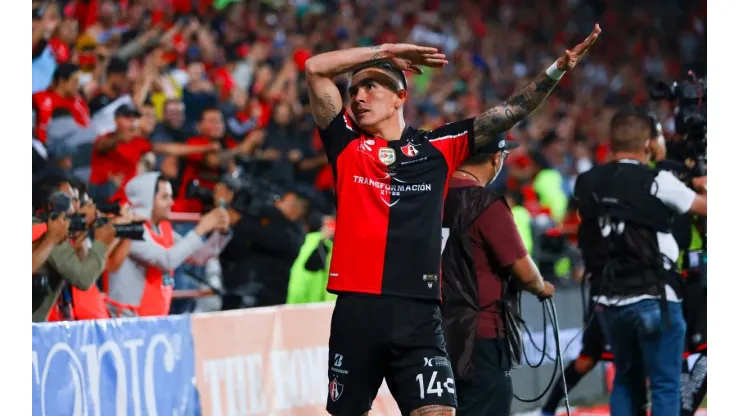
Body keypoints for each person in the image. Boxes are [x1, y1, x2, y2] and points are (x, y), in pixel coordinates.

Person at [305, 25, 601, 416]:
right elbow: (315, 68)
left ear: (400, 98)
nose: (359, 96)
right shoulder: (345, 145)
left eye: (372, 86)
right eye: (354, 90)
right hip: (358, 309)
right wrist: (384, 51)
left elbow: (510, 111)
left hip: (420, 313)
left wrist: (557, 70)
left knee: (440, 412)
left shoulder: (438, 148)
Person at [574, 109, 707, 416]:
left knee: (625, 381)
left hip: (608, 299)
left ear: (611, 142)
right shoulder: (658, 180)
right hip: (655, 297)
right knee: (664, 385)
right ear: (648, 144)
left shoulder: (587, 181)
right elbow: (705, 207)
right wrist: (700, 182)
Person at [440, 138, 555, 416]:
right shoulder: (485, 204)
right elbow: (525, 273)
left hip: (430, 333)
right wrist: (542, 288)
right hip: (477, 335)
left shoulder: (430, 197)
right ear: (495, 159)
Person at [107, 172, 231, 317]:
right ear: (147, 199)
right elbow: (166, 260)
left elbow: (199, 257)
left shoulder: (164, 229)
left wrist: (220, 233)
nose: (171, 203)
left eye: (171, 196)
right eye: (164, 197)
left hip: (155, 317)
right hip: (128, 317)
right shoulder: (131, 229)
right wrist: (200, 229)